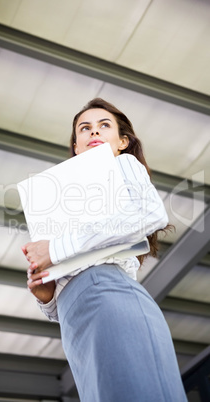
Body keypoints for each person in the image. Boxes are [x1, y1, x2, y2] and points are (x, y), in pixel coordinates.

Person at [22, 98, 187, 402]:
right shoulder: (58, 196)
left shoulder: (122, 164)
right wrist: (47, 298)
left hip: (110, 296)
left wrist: (55, 249)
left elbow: (150, 215)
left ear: (122, 141)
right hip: (74, 324)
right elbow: (62, 286)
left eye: (104, 126)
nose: (93, 133)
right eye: (85, 128)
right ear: (76, 145)